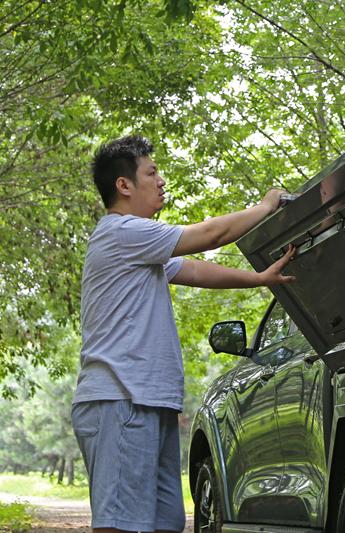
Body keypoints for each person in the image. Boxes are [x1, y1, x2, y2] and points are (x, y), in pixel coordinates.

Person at [71, 135, 296, 533]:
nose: (161, 181)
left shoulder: (140, 246)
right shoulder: (122, 232)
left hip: (148, 400)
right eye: (151, 173)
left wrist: (259, 278)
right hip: (120, 398)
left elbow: (194, 269)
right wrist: (265, 207)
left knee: (165, 523)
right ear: (124, 185)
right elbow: (210, 235)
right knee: (121, 525)